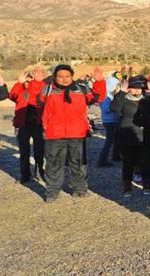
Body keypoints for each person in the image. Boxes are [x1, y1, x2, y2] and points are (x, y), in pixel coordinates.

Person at [38, 65, 106, 202]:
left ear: (72, 76)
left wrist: (99, 82)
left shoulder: (82, 89)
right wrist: (36, 82)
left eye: (67, 76)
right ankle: (52, 193)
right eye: (60, 76)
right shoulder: (48, 89)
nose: (64, 79)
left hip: (77, 133)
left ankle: (80, 190)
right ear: (55, 77)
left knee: (78, 164)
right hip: (54, 133)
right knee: (54, 164)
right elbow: (36, 101)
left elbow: (97, 98)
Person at [110, 76, 150, 196]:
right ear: (129, 88)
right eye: (133, 88)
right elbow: (113, 107)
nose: (136, 91)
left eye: (139, 88)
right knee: (128, 162)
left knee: (145, 162)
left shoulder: (148, 98)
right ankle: (127, 187)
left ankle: (146, 186)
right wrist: (121, 92)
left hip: (147, 136)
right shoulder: (123, 99)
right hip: (127, 135)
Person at [6, 67, 46, 183]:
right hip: (22, 125)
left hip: (38, 125)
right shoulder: (20, 90)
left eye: (31, 79)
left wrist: (37, 82)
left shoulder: (41, 88)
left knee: (39, 151)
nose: (28, 82)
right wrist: (19, 83)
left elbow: (42, 96)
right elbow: (12, 96)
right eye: (27, 80)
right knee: (24, 152)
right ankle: (25, 175)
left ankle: (39, 172)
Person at [97, 71, 121, 166]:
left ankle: (116, 155)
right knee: (109, 140)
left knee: (116, 139)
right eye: (116, 85)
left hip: (114, 119)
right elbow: (106, 109)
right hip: (109, 120)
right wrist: (116, 108)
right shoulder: (106, 96)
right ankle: (102, 159)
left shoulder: (111, 95)